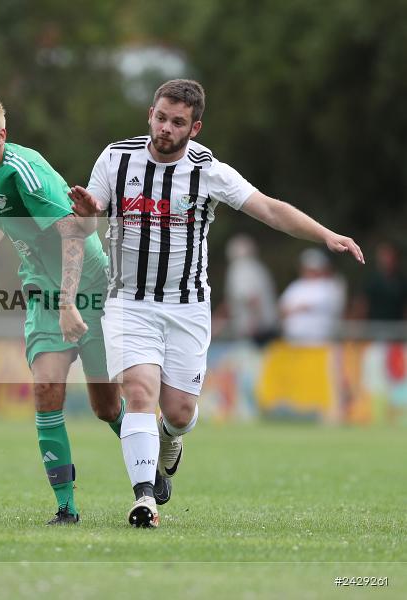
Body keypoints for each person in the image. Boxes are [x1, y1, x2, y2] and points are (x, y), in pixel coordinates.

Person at [69, 79, 363, 527]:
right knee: (139, 392)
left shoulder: (208, 171)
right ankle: (144, 498)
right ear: (150, 113)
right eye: (161, 117)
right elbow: (87, 224)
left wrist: (325, 234)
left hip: (187, 306)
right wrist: (88, 213)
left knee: (181, 413)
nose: (166, 128)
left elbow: (268, 208)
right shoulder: (116, 157)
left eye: (178, 122)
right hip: (129, 301)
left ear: (196, 127)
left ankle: (171, 441)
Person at [0, 91, 124, 526]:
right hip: (42, 292)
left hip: (90, 289)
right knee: (46, 390)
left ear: (2, 133)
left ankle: (149, 466)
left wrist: (70, 303)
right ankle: (66, 507)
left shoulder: (25, 171)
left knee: (106, 408)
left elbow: (74, 234)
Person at [279, 248, 346, 344]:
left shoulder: (329, 286)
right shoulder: (296, 285)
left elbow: (317, 306)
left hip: (318, 339)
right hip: (293, 338)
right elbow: (283, 308)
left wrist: (296, 309)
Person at [222, 234, 278, 345]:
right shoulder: (258, 267)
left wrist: (254, 322)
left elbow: (251, 298)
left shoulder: (239, 268)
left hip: (253, 329)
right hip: (268, 325)